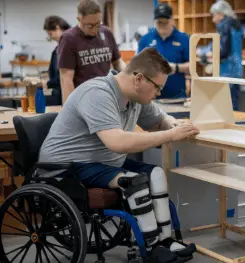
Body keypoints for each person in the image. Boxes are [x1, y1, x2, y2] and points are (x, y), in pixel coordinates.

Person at [39, 47, 198, 262]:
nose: (158, 93)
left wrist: (174, 124)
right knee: (135, 181)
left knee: (156, 174)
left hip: (101, 163)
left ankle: (166, 241)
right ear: (139, 79)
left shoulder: (135, 98)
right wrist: (170, 135)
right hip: (68, 166)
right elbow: (118, 142)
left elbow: (160, 119)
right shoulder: (98, 93)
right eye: (157, 87)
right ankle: (151, 248)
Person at [57, 0, 126, 104]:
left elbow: (117, 62)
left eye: (98, 24)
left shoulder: (107, 32)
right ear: (79, 19)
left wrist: (130, 74)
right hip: (84, 99)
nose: (95, 29)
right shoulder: (69, 39)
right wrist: (69, 109)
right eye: (90, 25)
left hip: (107, 96)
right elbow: (66, 78)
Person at [138, 3, 190, 99]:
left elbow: (193, 66)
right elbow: (137, 65)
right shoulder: (145, 39)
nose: (162, 25)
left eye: (165, 22)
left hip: (176, 96)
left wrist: (176, 68)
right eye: (159, 22)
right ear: (154, 22)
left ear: (172, 20)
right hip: (151, 97)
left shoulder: (184, 39)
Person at [198, 0, 243, 111]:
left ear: (221, 14)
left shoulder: (225, 26)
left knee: (226, 108)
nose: (213, 20)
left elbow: (223, 50)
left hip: (227, 71)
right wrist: (205, 51)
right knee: (232, 106)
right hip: (236, 71)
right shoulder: (235, 25)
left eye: (214, 15)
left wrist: (204, 54)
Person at [42, 15, 71, 106]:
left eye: (50, 34)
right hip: (59, 92)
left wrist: (47, 83)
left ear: (57, 28)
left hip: (68, 93)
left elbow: (64, 74)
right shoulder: (57, 50)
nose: (50, 37)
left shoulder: (69, 46)